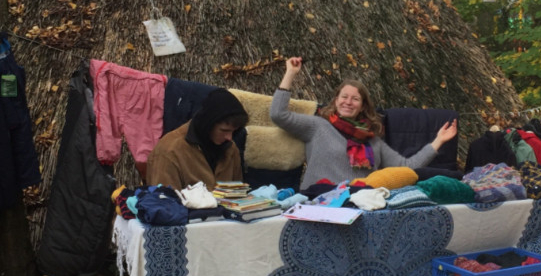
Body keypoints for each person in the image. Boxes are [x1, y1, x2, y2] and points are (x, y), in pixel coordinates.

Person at [271, 56, 458, 188]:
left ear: (362, 106)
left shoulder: (373, 140)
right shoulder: (318, 126)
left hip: (361, 203)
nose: (348, 102)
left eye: (355, 99)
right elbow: (278, 114)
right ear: (336, 101)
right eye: (344, 97)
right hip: (320, 201)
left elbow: (406, 167)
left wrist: (438, 141)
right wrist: (290, 74)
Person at [146, 88, 249, 190]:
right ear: (208, 125)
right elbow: (163, 201)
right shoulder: (169, 150)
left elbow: (237, 195)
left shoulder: (230, 149)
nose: (229, 137)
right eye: (224, 130)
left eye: (233, 131)